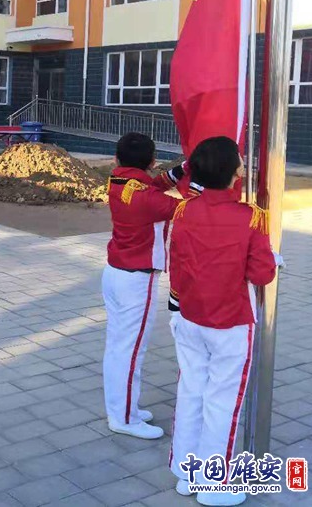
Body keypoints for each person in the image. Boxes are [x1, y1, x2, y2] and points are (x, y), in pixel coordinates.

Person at [168, 137, 277, 505]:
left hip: (190, 317)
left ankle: (187, 473)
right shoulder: (251, 217)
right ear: (235, 172)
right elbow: (261, 274)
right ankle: (214, 484)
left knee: (191, 392)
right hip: (230, 322)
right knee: (222, 401)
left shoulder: (184, 211)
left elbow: (177, 264)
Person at [102, 132, 185, 441]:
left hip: (116, 274)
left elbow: (152, 186)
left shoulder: (119, 181)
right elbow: (187, 210)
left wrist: (181, 170)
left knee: (118, 348)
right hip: (137, 280)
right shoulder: (147, 197)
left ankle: (122, 408)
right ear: (152, 161)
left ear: (116, 159)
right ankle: (124, 417)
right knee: (131, 351)